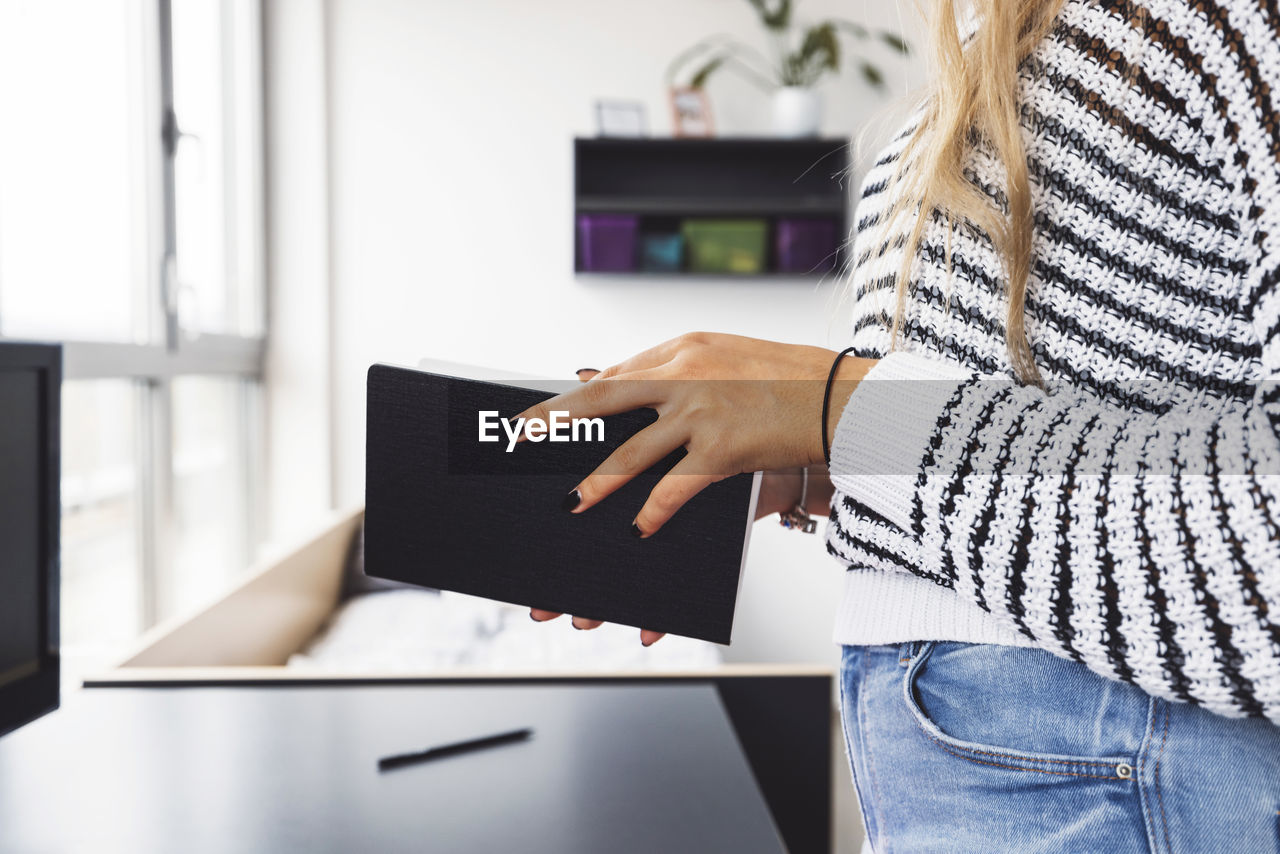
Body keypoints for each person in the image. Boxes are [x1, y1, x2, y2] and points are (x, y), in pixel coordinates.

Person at [528, 0, 1280, 849]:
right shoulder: (993, 52)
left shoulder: (1219, 22)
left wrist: (839, 404)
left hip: (1108, 764)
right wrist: (818, 463)